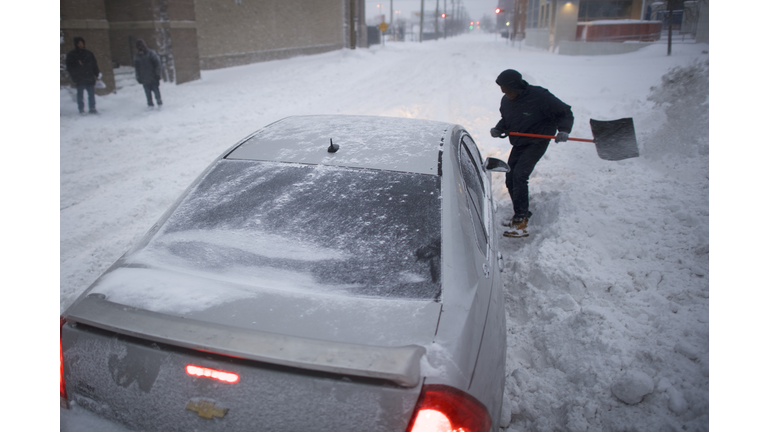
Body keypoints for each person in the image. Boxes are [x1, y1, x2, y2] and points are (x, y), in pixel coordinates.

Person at [490, 69, 574, 238]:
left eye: (507, 89)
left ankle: (521, 220)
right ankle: (520, 213)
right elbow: (507, 120)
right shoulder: (506, 101)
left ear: (516, 87)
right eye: (502, 90)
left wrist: (564, 130)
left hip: (537, 141)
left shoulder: (540, 96)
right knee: (510, 176)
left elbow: (564, 111)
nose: (504, 93)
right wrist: (499, 128)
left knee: (520, 174)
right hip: (520, 142)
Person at [65, 37, 100, 115]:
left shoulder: (88, 53)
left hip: (89, 77)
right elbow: (70, 67)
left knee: (91, 94)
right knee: (80, 94)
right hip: (79, 78)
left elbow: (94, 64)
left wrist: (96, 73)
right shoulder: (72, 55)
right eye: (79, 43)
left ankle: (92, 108)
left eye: (81, 43)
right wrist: (75, 77)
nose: (80, 45)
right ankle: (81, 109)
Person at [133, 39, 163, 108]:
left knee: (156, 91)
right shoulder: (137, 57)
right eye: (138, 46)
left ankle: (159, 103)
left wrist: (157, 74)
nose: (140, 48)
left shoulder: (151, 53)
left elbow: (157, 64)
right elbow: (137, 69)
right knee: (147, 93)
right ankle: (150, 104)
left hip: (153, 77)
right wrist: (138, 77)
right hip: (144, 79)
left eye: (141, 46)